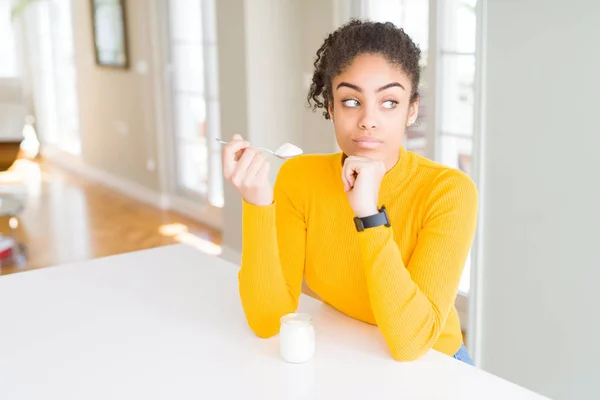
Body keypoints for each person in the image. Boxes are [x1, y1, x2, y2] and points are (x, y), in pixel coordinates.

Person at [221, 19, 478, 365]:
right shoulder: (300, 177)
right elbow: (268, 321)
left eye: (389, 102)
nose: (368, 120)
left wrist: (369, 215)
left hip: (435, 365)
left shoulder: (449, 192)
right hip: (346, 352)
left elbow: (411, 344)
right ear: (330, 107)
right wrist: (256, 202)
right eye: (351, 101)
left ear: (411, 110)